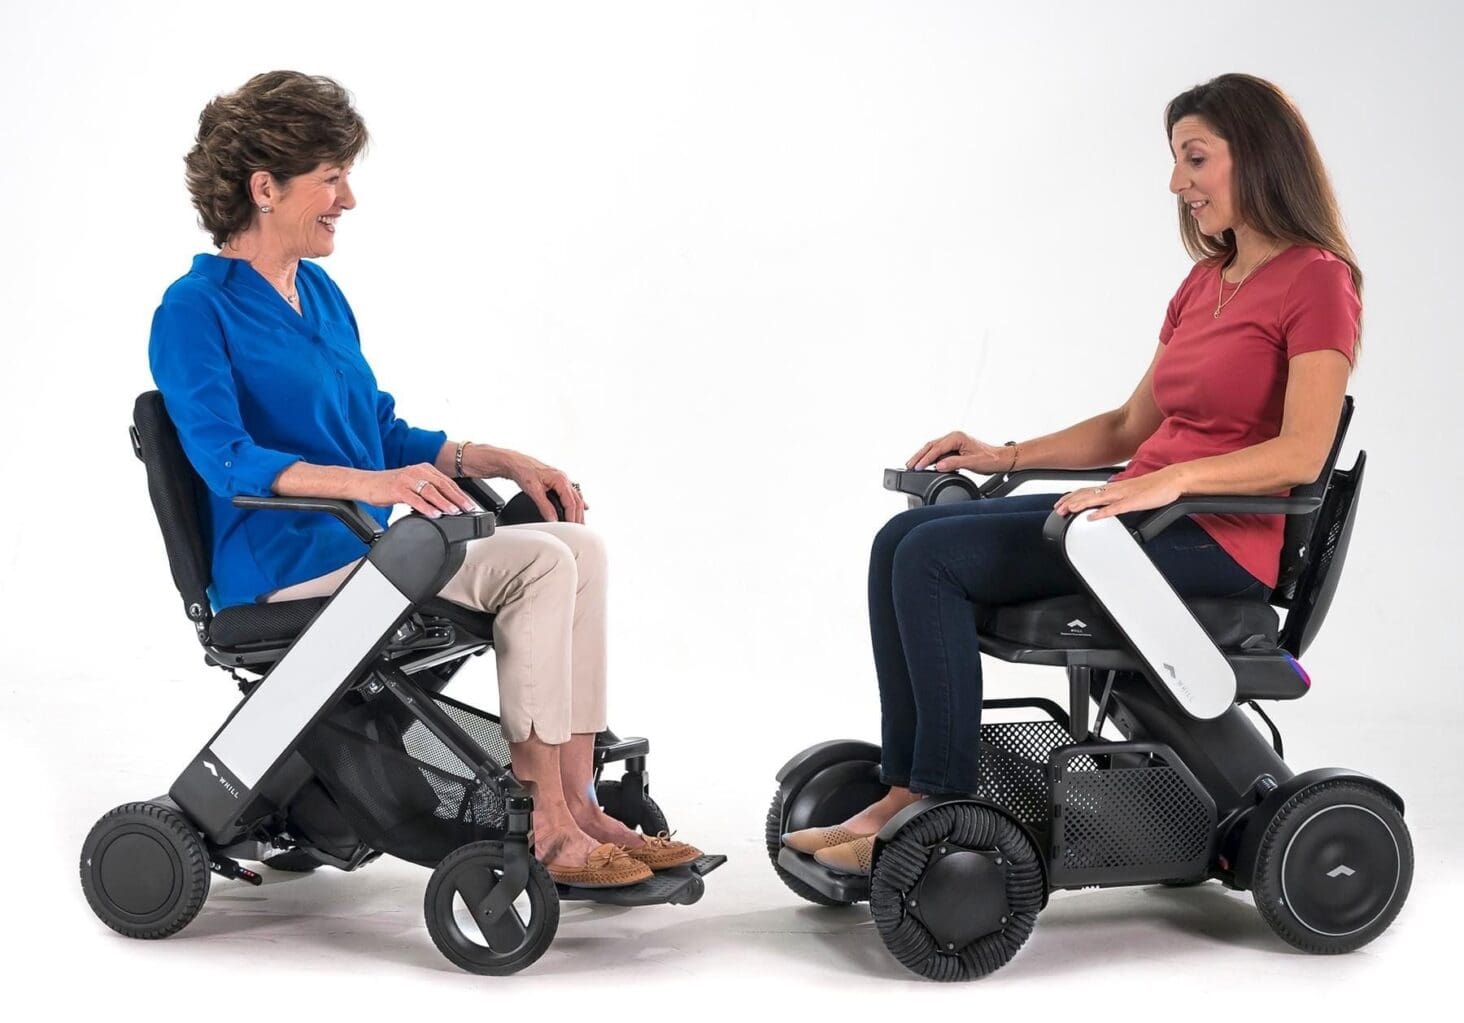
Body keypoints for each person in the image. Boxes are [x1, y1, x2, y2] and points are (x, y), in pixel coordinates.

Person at [785, 73, 1362, 875]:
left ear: (1257, 156)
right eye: (1175, 161)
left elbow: (1302, 451)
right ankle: (900, 788)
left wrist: (1171, 482)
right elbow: (1131, 428)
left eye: (1195, 159)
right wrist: (1005, 456)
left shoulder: (1319, 279)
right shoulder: (1205, 284)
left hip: (1213, 539)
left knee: (931, 559)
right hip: (1133, 522)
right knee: (903, 538)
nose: (1176, 183)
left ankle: (937, 800)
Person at [150, 71, 700, 887]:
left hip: (363, 549)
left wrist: (498, 458)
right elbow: (224, 459)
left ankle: (581, 803)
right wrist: (374, 487)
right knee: (539, 562)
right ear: (265, 187)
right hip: (283, 567)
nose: (349, 199)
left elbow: (381, 431)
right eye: (331, 177)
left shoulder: (320, 296)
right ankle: (545, 819)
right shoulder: (194, 309)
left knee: (581, 545)